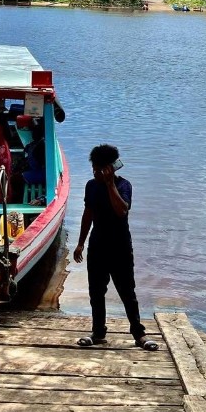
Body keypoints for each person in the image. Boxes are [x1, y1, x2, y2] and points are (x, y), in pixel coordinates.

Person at [73, 144, 158, 351]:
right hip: (97, 245)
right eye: (93, 168)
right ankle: (98, 332)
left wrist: (110, 184)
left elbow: (122, 211)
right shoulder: (91, 186)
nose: (95, 172)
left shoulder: (124, 186)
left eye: (99, 168)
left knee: (127, 291)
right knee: (96, 291)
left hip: (120, 247)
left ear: (110, 168)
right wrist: (80, 243)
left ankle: (139, 334)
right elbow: (88, 214)